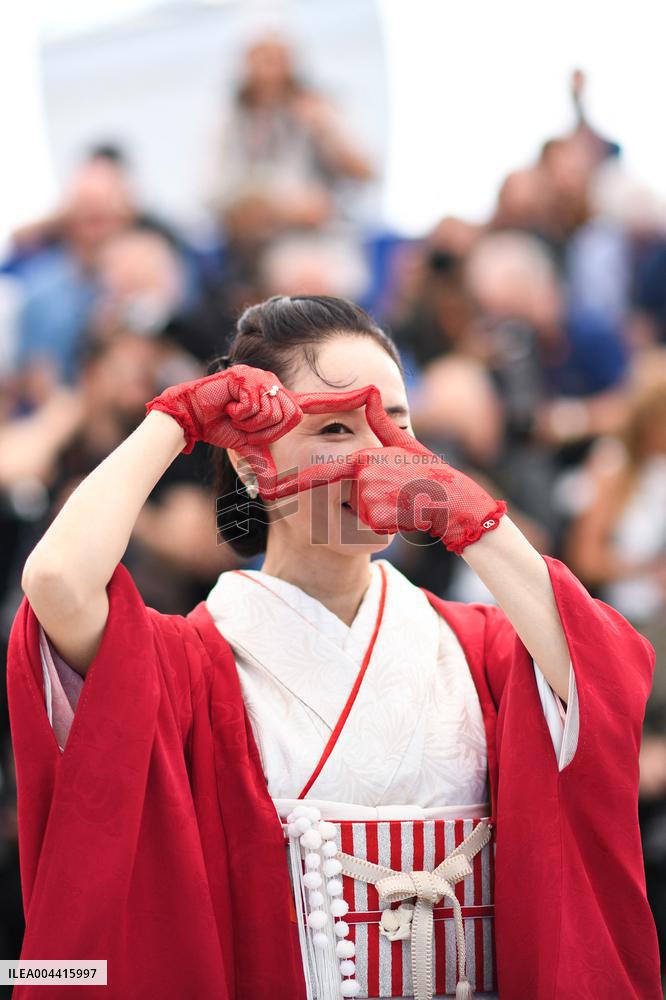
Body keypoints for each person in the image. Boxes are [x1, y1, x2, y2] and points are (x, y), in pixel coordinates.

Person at [7, 296, 660, 998]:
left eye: (397, 425)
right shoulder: (192, 664)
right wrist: (177, 421)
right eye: (338, 427)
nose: (374, 455)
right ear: (251, 461)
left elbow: (603, 675)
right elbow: (56, 582)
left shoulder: (483, 650)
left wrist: (474, 518)